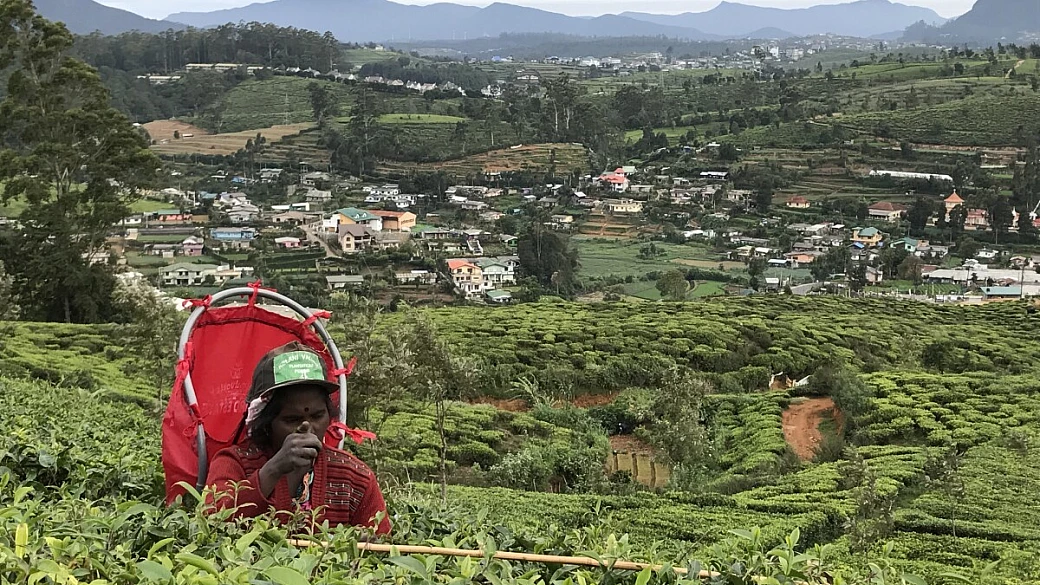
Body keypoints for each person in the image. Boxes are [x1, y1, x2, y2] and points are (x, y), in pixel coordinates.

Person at [204, 342, 390, 534]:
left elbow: (380, 546)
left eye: (317, 416)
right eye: (292, 419)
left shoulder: (355, 477)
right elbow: (211, 525)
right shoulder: (233, 464)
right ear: (266, 422)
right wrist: (273, 470)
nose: (307, 427)